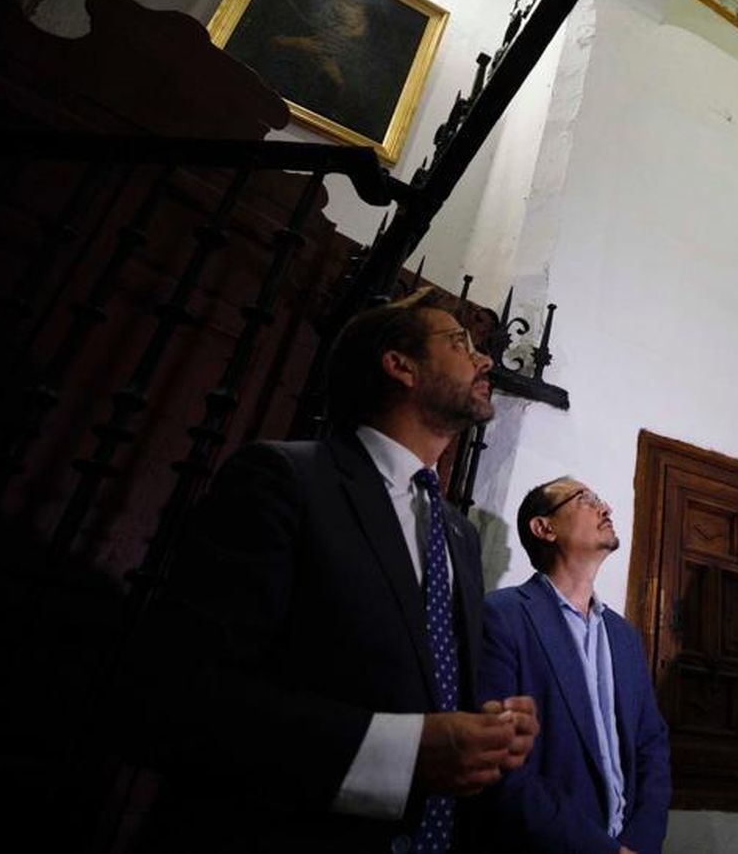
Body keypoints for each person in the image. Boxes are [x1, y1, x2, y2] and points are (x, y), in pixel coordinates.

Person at [138, 289, 537, 852]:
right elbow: (180, 695)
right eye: (458, 342)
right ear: (400, 365)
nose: (485, 359)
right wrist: (401, 753)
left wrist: (486, 730)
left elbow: (427, 684)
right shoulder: (286, 481)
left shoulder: (458, 534)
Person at [479, 477, 672, 853]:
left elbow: (652, 745)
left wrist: (640, 843)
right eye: (585, 499)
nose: (606, 508)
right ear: (544, 527)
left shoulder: (624, 637)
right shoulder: (502, 617)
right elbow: (501, 760)